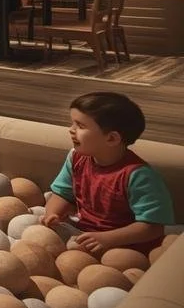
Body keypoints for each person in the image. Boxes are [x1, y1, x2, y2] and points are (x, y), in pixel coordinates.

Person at [42, 92, 173, 256]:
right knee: (33, 229)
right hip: (84, 231)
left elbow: (153, 227)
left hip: (126, 245)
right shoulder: (76, 158)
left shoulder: (138, 175)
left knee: (98, 258)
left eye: (80, 126)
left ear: (111, 139)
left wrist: (107, 239)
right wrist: (52, 213)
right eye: (72, 123)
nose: (71, 130)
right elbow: (63, 193)